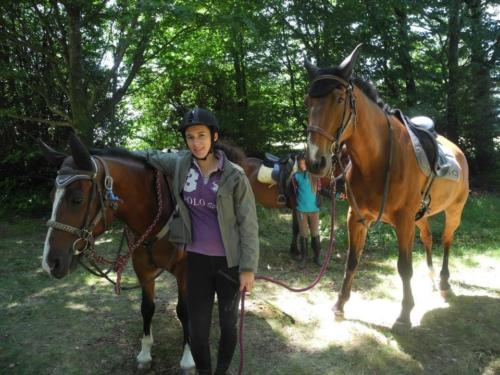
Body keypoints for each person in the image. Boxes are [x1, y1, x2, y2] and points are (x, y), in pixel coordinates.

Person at [136, 107, 259, 375]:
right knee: (197, 330)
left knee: (228, 325)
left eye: (201, 136)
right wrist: (107, 155)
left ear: (214, 136)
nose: (196, 143)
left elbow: (248, 225)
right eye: (190, 137)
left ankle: (222, 371)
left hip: (230, 262)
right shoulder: (181, 164)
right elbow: (150, 157)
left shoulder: (235, 175)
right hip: (197, 262)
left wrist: (248, 268)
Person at [292, 153, 322, 267]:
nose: (302, 165)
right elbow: (294, 192)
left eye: (304, 162)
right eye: (300, 163)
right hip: (301, 211)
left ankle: (317, 257)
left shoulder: (315, 176)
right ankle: (304, 257)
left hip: (314, 210)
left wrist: (340, 196)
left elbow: (321, 190)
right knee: (304, 234)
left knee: (315, 233)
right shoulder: (296, 177)